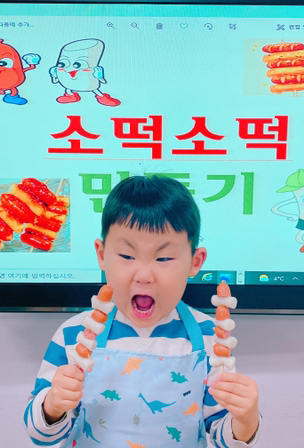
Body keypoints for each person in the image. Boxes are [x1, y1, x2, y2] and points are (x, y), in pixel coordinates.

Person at [24, 175, 261, 447]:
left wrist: (246, 420)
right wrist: (52, 406)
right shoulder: (73, 335)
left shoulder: (211, 338)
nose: (144, 275)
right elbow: (40, 435)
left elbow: (221, 437)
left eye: (163, 258)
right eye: (127, 256)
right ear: (101, 255)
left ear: (195, 262)